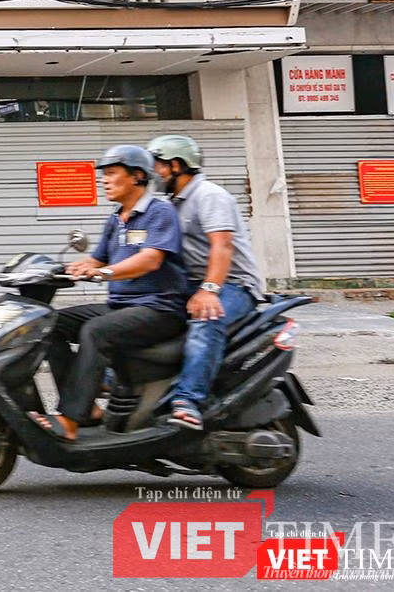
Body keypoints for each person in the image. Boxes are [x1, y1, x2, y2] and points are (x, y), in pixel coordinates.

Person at [29, 145, 188, 442]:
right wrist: (71, 268)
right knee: (48, 324)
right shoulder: (116, 218)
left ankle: (70, 419)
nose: (104, 180)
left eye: (112, 173)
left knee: (95, 331)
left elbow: (150, 260)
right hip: (123, 306)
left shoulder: (159, 212)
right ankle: (88, 409)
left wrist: (106, 273)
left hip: (160, 309)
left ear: (137, 176)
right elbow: (97, 259)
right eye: (104, 174)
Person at [147, 134, 268, 431]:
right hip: (193, 284)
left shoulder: (209, 195)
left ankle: (188, 400)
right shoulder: (173, 204)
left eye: (158, 165)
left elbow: (222, 246)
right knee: (141, 313)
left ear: (176, 165)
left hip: (234, 284)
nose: (153, 173)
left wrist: (209, 291)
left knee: (206, 319)